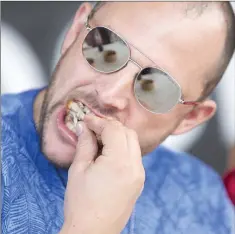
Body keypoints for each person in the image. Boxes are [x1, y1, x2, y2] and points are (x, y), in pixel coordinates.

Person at [1, 2, 235, 234]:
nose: (110, 95)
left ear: (190, 118)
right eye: (106, 49)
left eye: (155, 88)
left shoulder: (204, 202)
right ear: (75, 32)